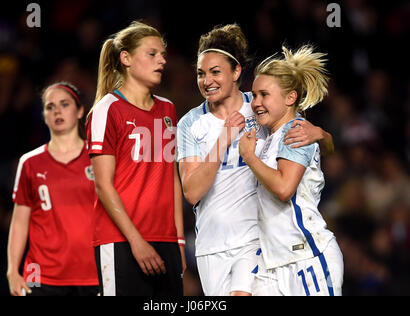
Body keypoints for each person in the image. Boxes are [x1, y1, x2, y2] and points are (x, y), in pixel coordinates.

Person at [176, 24, 334, 296]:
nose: (207, 81)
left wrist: (322, 135)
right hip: (210, 245)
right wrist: (223, 139)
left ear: (236, 71)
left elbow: (306, 148)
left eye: (216, 72)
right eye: (201, 74)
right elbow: (191, 192)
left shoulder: (260, 106)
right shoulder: (190, 124)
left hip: (255, 238)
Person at [86, 21, 186, 296]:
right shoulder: (107, 110)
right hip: (119, 241)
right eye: (152, 54)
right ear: (126, 58)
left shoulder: (168, 109)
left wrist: (177, 238)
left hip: (164, 239)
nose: (162, 61)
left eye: (163, 54)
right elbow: (103, 185)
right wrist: (136, 242)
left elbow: (172, 178)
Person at [238, 45, 344, 296]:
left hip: (307, 257)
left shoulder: (294, 131)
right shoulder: (272, 133)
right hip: (275, 262)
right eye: (254, 95)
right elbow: (325, 151)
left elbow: (285, 189)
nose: (256, 103)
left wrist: (249, 158)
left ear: (290, 98)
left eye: (264, 94)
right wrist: (324, 136)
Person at [7, 82, 99, 296]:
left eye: (64, 104)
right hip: (42, 274)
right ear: (44, 115)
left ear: (79, 111)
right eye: (50, 106)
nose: (57, 110)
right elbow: (20, 220)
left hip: (92, 272)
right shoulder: (30, 163)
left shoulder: (98, 157)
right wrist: (13, 270)